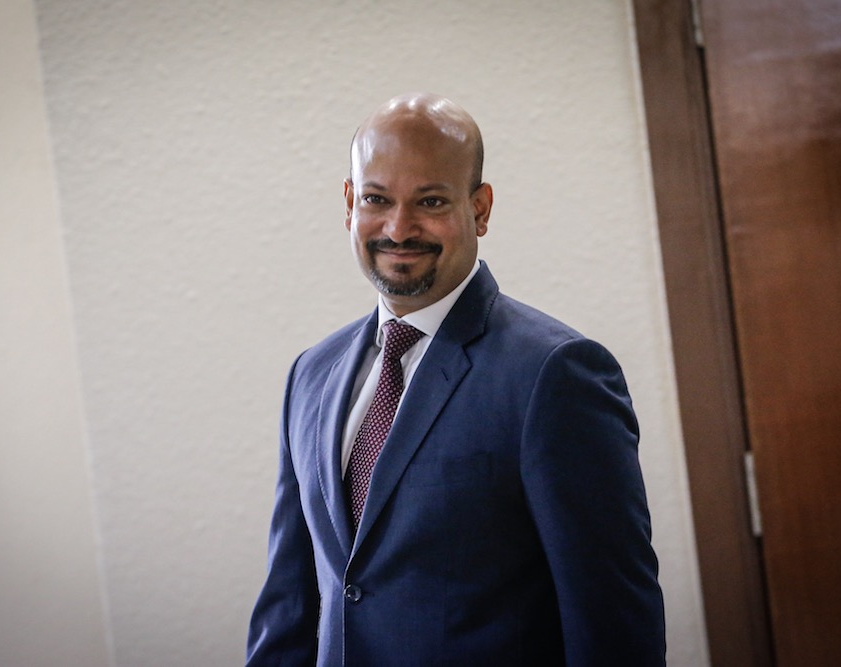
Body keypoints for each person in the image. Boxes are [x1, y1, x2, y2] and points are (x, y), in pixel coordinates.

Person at [247, 93, 665, 666]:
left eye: (431, 201)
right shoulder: (310, 375)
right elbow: (288, 604)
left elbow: (612, 617)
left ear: (480, 208)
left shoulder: (556, 374)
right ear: (348, 203)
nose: (399, 228)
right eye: (376, 199)